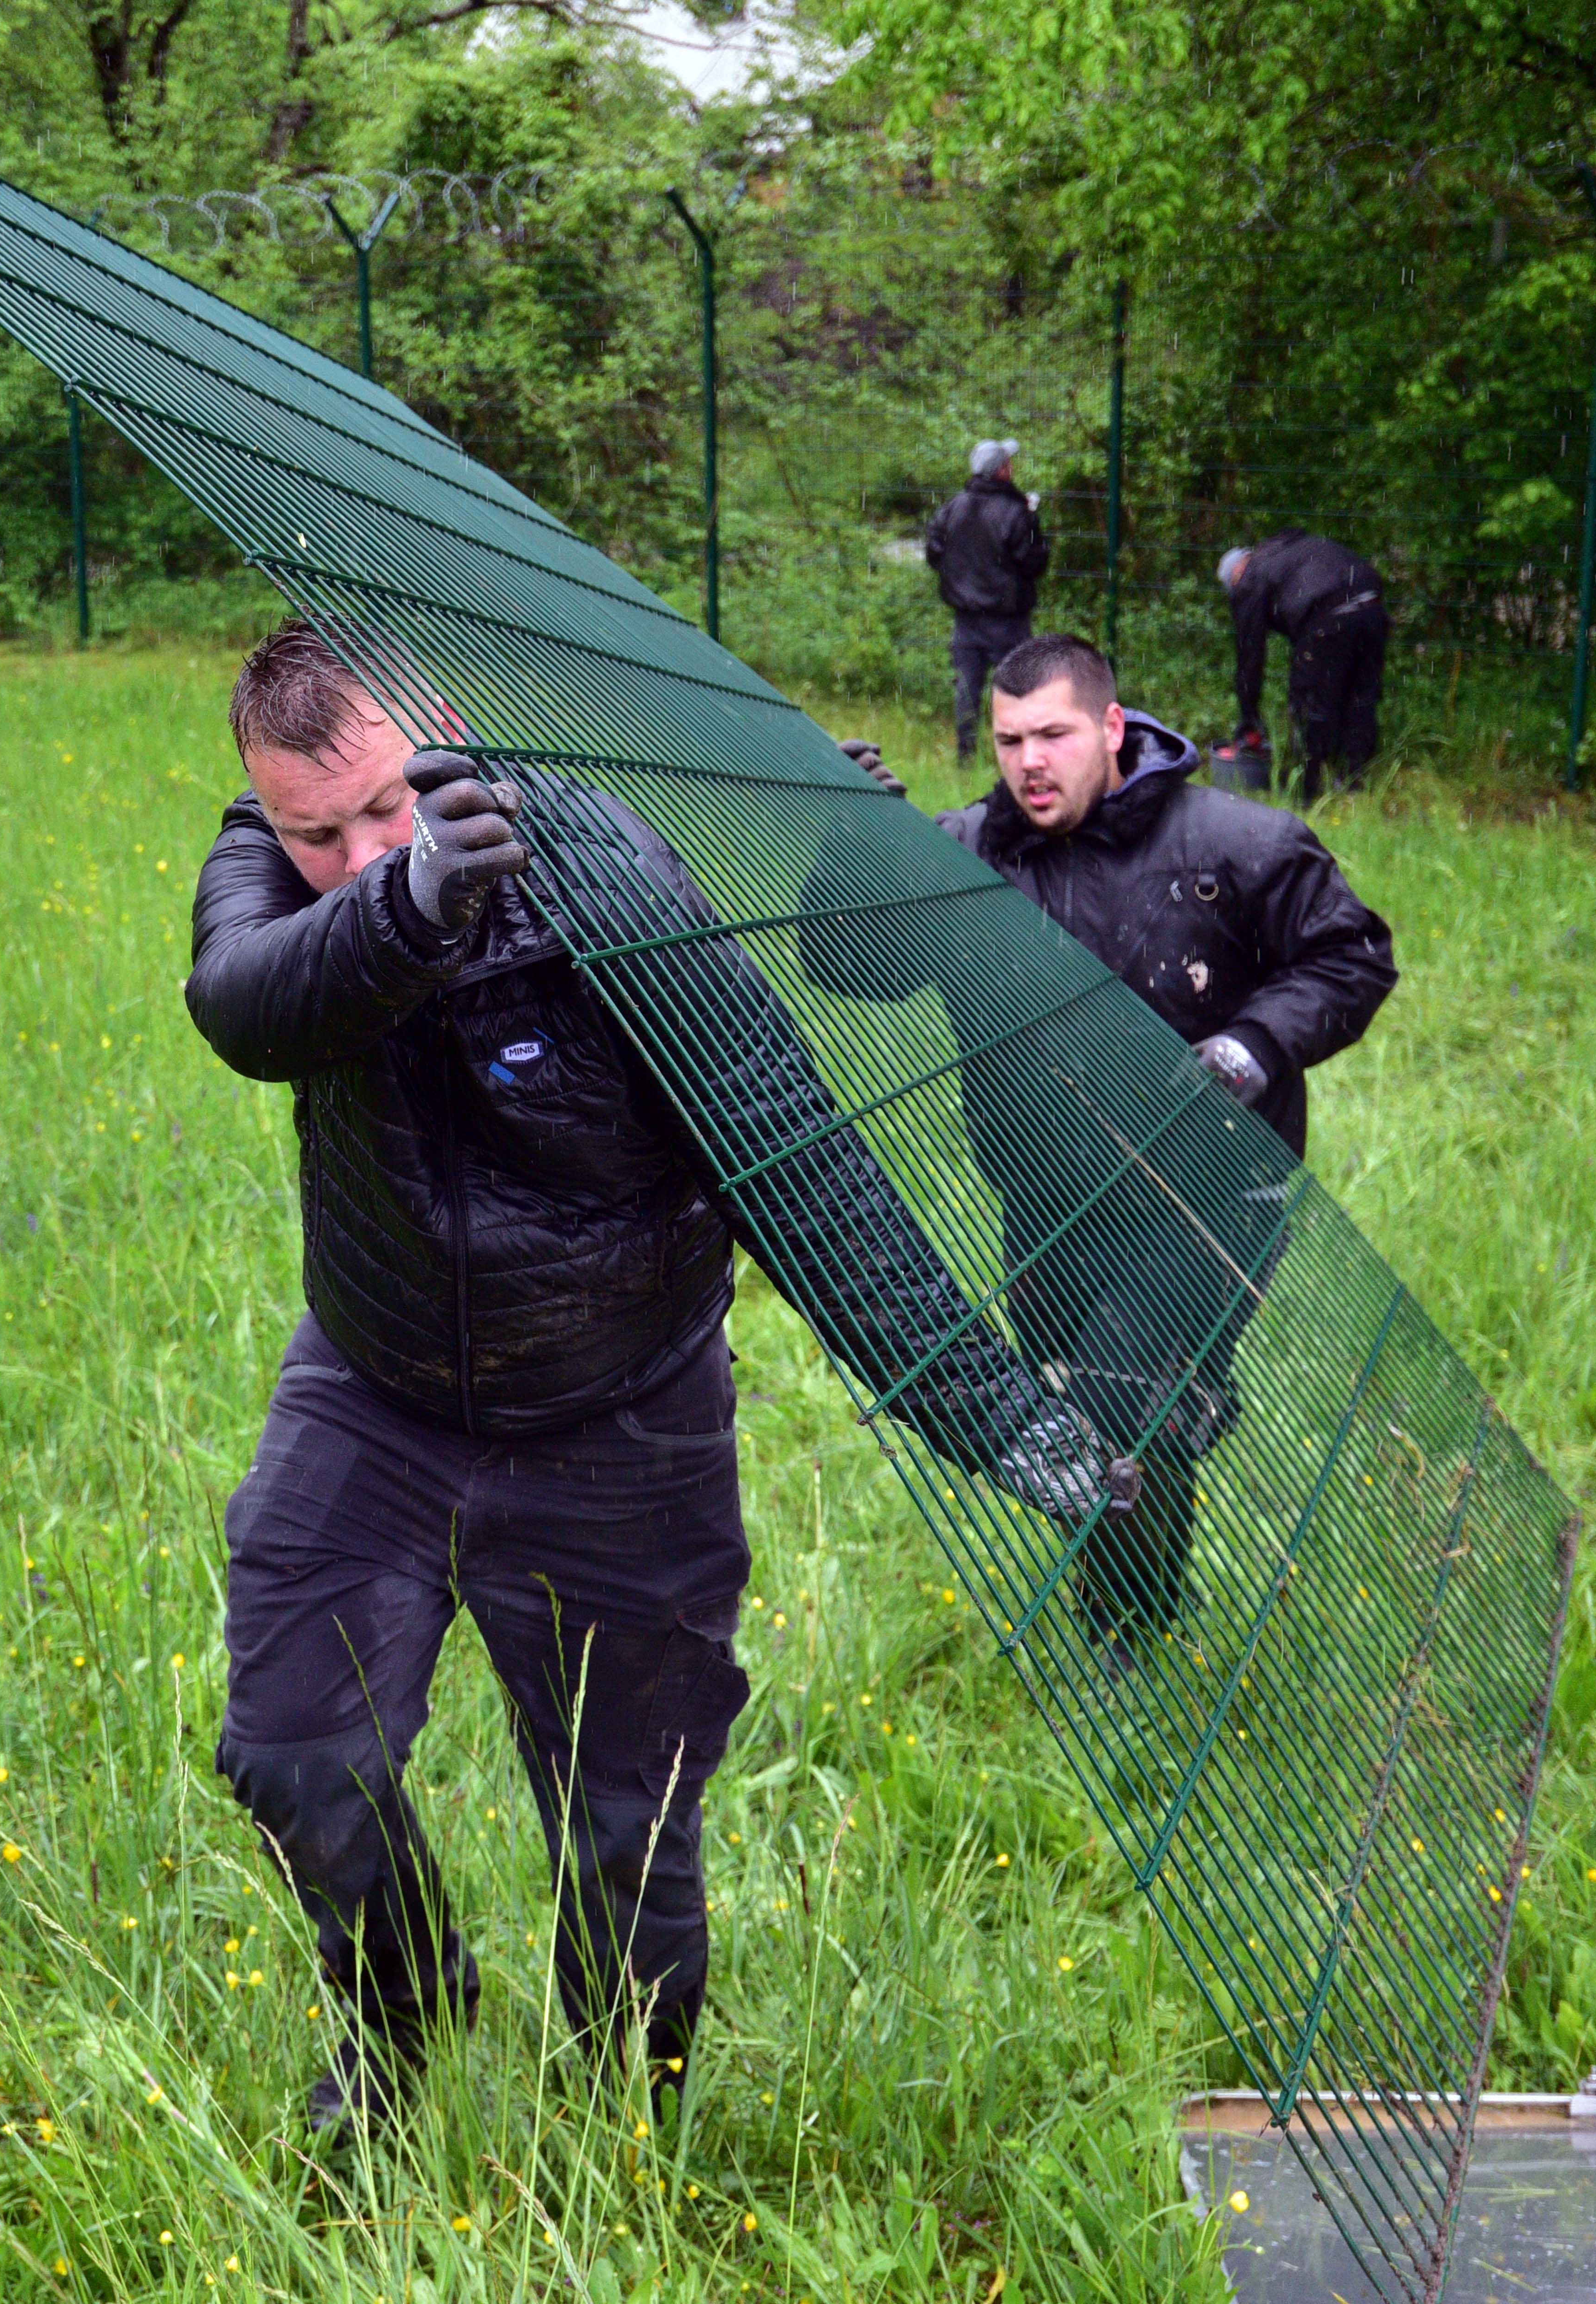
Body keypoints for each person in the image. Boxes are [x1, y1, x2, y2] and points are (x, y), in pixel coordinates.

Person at [185, 620, 1111, 2144]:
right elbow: (243, 1002)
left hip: (624, 1414)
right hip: (378, 1389)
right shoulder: (271, 867)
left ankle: (629, 2116)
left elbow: (798, 1173)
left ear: (445, 733)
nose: (349, 853)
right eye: (313, 831)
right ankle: (404, 2006)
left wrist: (995, 1415)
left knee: (627, 1823)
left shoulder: (611, 892)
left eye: (384, 809)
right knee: (292, 1752)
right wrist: (407, 902)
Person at [798, 633, 1396, 1663]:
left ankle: (1124, 1623)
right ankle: (1182, 1419)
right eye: (1007, 739)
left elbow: (1349, 954)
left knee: (1123, 1388)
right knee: (1074, 1396)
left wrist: (1250, 1046)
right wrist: (855, 842)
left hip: (1206, 1198)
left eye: (1053, 735)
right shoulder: (959, 860)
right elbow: (848, 965)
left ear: (1110, 729)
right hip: (1041, 1199)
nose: (1028, 761)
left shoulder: (1234, 847)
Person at [1215, 532, 1388, 796]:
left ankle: (1308, 788)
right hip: (1372, 604)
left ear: (1235, 576)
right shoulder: (1282, 549)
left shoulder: (1250, 579)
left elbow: (1250, 656)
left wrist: (1248, 717)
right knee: (1360, 697)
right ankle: (1354, 782)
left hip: (1329, 615)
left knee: (1311, 703)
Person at [924, 439, 1050, 764]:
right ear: (1001, 471)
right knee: (1018, 690)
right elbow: (1035, 562)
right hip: (1008, 620)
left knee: (967, 690)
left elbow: (933, 552)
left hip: (966, 619)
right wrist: (1033, 523)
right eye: (1008, 463)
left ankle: (965, 758)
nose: (1012, 468)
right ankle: (1019, 756)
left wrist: (961, 578)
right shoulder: (1016, 513)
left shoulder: (953, 508)